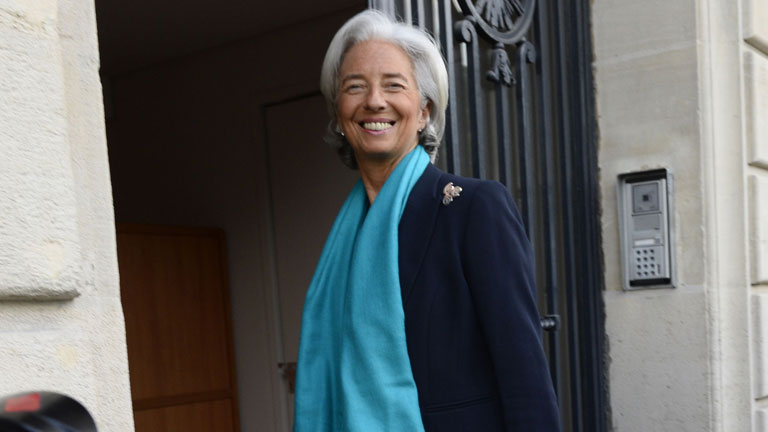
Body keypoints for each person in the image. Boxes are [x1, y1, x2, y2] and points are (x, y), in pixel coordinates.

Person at [294, 9, 560, 432]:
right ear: (339, 114)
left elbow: (525, 377)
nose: (374, 101)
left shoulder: (473, 209)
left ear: (423, 111)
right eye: (355, 86)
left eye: (393, 85)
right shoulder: (346, 239)